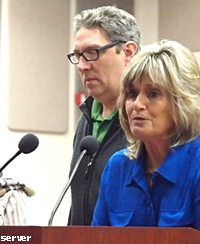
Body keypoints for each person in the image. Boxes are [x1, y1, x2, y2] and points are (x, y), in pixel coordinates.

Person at [91, 40, 200, 244]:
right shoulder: (117, 167)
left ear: (182, 102)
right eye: (132, 94)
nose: (137, 104)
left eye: (153, 94)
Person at [67, 5, 141, 225]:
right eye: (78, 55)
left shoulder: (145, 122)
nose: (81, 66)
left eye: (91, 53)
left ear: (127, 52)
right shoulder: (86, 118)